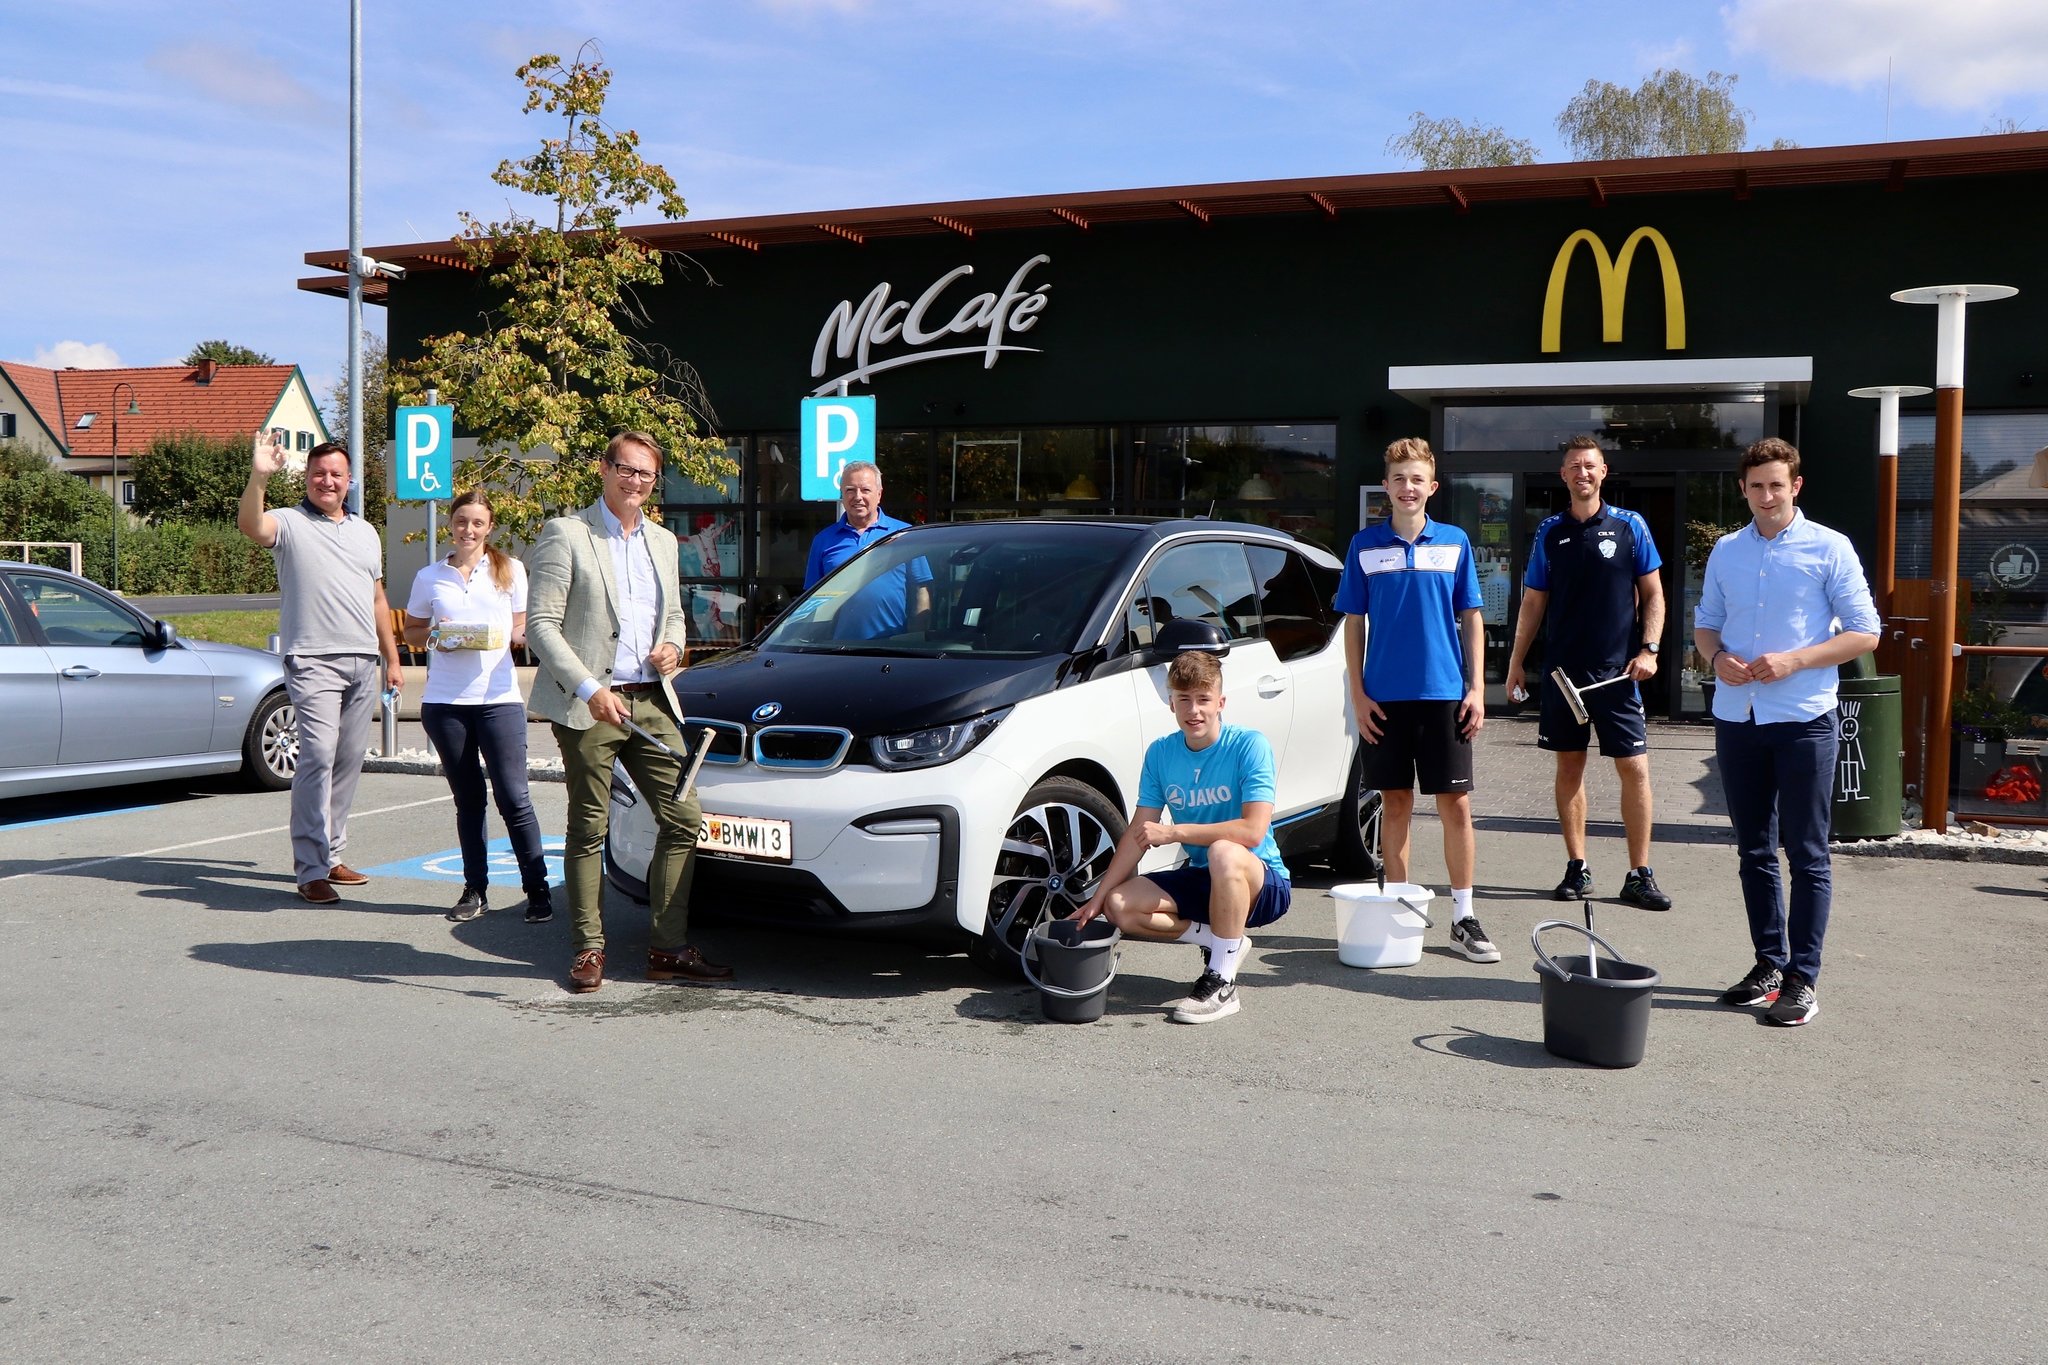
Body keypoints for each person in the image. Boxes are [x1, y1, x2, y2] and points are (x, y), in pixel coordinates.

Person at [525, 431, 730, 994]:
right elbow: (541, 625)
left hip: (652, 700)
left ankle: (667, 949)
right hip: (590, 704)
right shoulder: (567, 533)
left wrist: (673, 647)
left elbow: (674, 616)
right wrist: (590, 687)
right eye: (626, 469)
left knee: (684, 817)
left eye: (645, 474)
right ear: (604, 468)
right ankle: (588, 948)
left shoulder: (663, 541)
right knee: (589, 826)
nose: (635, 481)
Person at [1694, 437, 1879, 1027]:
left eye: (1777, 484)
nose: (1767, 495)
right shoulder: (1727, 550)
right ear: (1743, 489)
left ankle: (1803, 979)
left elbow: (1865, 632)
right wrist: (1716, 657)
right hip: (1738, 718)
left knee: (1807, 853)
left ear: (1795, 485)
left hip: (1804, 720)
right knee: (1753, 851)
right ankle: (1768, 966)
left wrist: (1796, 660)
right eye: (1757, 486)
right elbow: (1706, 624)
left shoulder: (1830, 547)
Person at [1336, 437, 1498, 963]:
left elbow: (1472, 617)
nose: (1408, 487)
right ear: (1386, 486)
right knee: (1396, 804)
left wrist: (1476, 689)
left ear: (1433, 487)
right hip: (1384, 700)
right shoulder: (1364, 545)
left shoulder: (1455, 542)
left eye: (1417, 479)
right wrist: (1358, 694)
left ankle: (1463, 917)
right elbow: (1354, 623)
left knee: (1456, 806)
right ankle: (1399, 913)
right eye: (1399, 478)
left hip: (1445, 696)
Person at [1071, 647, 1292, 1025]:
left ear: (1221, 702)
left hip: (1261, 882)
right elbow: (1138, 833)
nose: (1194, 710)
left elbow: (1253, 831)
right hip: (1206, 877)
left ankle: (1222, 982)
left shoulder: (1249, 745)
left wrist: (1175, 832)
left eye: (1204, 699)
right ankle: (1221, 942)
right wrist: (1099, 897)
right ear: (1171, 703)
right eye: (1184, 699)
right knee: (1120, 905)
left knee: (1224, 851)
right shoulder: (1161, 753)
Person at [1504, 435, 1673, 910]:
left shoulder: (1630, 525)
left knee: (1634, 768)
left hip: (1619, 673)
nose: (1582, 473)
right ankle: (1577, 867)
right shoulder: (1549, 531)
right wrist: (1516, 663)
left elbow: (1654, 594)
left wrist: (1650, 649)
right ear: (1564, 475)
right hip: (1564, 675)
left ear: (1603, 472)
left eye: (1590, 465)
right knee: (1569, 766)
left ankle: (1639, 874)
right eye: (1574, 466)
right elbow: (1533, 602)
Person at [237, 433, 403, 904]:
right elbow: (251, 525)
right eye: (318, 474)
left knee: (348, 760)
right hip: (312, 660)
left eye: (335, 474)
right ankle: (310, 869)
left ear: (349, 481)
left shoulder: (366, 532)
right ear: (307, 478)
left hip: (362, 660)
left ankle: (331, 854)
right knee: (318, 756)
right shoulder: (289, 523)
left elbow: (377, 599)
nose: (326, 481)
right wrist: (259, 477)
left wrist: (391, 658)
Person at [401, 489, 553, 925]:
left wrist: (520, 635)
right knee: (468, 800)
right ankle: (475, 890)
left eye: (477, 523)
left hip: (498, 699)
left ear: (489, 527)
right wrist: (437, 635)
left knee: (514, 797)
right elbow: (412, 631)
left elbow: (522, 625)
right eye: (461, 521)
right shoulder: (430, 576)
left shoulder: (510, 569)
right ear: (451, 524)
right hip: (445, 703)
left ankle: (537, 889)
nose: (468, 530)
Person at [802, 460, 932, 637]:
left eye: (865, 490)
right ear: (842, 494)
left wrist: (916, 637)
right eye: (850, 490)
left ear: (879, 494)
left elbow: (921, 590)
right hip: (836, 647)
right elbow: (811, 600)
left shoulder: (906, 535)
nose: (857, 497)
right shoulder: (823, 540)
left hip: (892, 645)